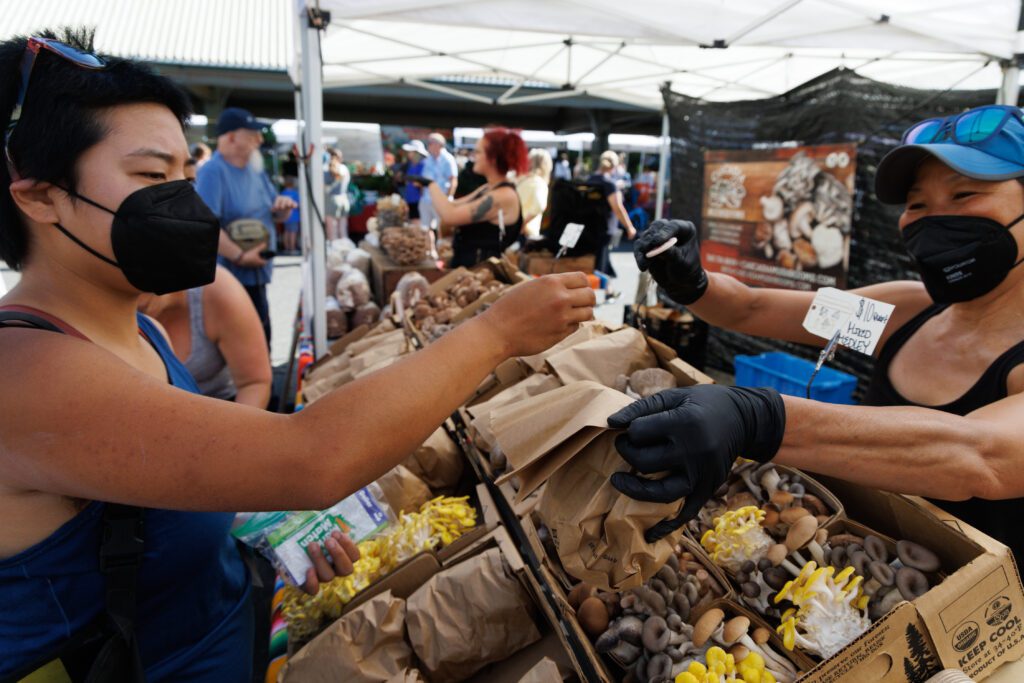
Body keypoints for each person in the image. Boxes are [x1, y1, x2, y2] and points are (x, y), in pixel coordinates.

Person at [0, 30, 596, 681]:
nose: (181, 199)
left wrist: (263, 536)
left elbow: (156, 506)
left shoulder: (132, 329)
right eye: (150, 175)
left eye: (184, 174)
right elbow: (311, 457)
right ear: (39, 197)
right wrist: (495, 332)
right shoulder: (27, 374)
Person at [621, 104, 1024, 562]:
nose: (933, 219)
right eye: (917, 204)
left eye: (964, 194)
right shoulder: (903, 309)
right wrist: (692, 282)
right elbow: (753, 309)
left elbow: (980, 457)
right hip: (866, 571)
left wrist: (761, 420)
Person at [196, 107, 297, 345]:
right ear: (231, 137)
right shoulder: (213, 171)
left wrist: (282, 209)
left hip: (257, 274)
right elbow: (205, 226)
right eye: (252, 135)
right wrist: (240, 256)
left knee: (262, 338)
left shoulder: (255, 169)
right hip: (231, 279)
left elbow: (273, 214)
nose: (260, 140)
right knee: (246, 344)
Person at [138, 266, 273, 408]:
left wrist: (231, 428)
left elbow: (254, 383)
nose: (138, 309)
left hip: (222, 412)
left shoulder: (217, 291)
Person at [414, 127, 527, 268]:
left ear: (493, 158)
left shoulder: (503, 195)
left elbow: (450, 216)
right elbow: (453, 205)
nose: (474, 156)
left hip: (482, 275)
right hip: (470, 268)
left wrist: (430, 184)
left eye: (478, 152)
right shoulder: (488, 188)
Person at [589, 150, 638, 275]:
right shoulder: (609, 184)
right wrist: (629, 227)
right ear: (615, 166)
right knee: (600, 266)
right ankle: (602, 290)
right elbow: (618, 207)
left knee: (597, 263)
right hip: (605, 228)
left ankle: (609, 291)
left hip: (589, 227)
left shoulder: (590, 179)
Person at [419, 132, 458, 229]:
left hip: (441, 200)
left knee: (443, 229)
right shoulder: (428, 159)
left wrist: (447, 199)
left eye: (430, 143)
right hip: (426, 200)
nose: (428, 145)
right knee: (425, 229)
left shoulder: (448, 159)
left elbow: (453, 180)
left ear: (438, 144)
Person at [517, 148, 552, 240]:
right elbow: (539, 206)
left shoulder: (521, 180)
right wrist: (522, 224)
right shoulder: (539, 183)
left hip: (515, 228)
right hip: (527, 231)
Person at [325, 147, 350, 240]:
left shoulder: (327, 171)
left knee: (332, 230)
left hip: (332, 200)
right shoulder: (345, 169)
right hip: (343, 199)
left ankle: (335, 251)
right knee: (343, 229)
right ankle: (345, 249)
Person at [399, 140, 427, 223]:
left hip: (419, 201)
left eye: (411, 152)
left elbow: (423, 184)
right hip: (410, 200)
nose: (409, 154)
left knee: (419, 224)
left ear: (417, 153)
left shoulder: (424, 164)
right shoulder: (411, 164)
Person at [280, 175, 300, 254]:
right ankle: (292, 248)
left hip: (285, 217)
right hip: (294, 216)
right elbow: (298, 204)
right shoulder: (295, 193)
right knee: (293, 233)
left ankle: (286, 247)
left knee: (286, 232)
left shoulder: (282, 193)